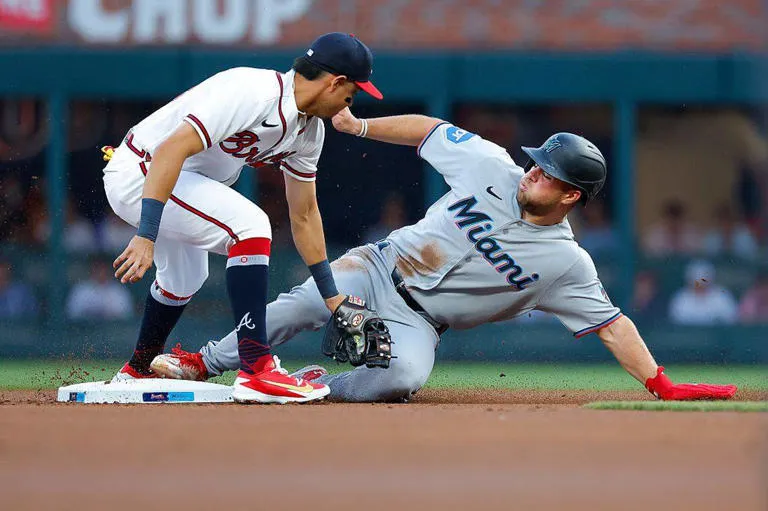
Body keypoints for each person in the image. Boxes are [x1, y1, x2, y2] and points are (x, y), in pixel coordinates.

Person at [152, 110, 737, 403]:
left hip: (421, 322)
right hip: (379, 267)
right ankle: (202, 362)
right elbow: (430, 129)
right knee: (305, 301)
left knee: (403, 377)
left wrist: (661, 384)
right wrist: (358, 125)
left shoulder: (566, 264)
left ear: (570, 196)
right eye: (536, 162)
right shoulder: (491, 166)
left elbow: (613, 326)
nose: (533, 170)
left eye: (547, 172)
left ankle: (318, 386)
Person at [101, 32, 385, 404]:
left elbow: (304, 215)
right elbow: (171, 149)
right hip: (142, 171)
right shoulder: (254, 92)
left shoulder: (308, 132)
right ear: (335, 83)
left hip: (183, 182)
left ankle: (137, 370)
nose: (351, 103)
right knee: (250, 226)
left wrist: (332, 298)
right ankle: (256, 368)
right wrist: (146, 233)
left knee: (186, 278)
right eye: (352, 93)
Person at [668, 260, 739, 325]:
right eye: (696, 281)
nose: (700, 284)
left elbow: (730, 319)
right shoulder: (680, 298)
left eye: (704, 280)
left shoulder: (722, 296)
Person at [66, 260, 134, 320]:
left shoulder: (118, 291)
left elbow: (126, 316)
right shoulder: (81, 290)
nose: (100, 272)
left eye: (103, 268)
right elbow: (72, 314)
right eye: (97, 267)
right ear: (92, 269)